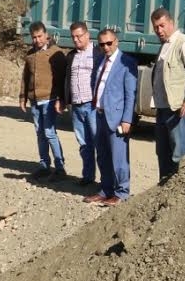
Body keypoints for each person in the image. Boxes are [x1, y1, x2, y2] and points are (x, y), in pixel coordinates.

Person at [149, 7, 185, 183]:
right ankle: (164, 190)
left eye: (162, 25)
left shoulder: (184, 44)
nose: (159, 30)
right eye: (156, 27)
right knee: (163, 154)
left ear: (171, 23)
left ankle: (180, 192)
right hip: (163, 109)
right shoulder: (165, 46)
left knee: (180, 155)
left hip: (177, 111)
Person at [86, 28, 137, 206]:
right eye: (102, 44)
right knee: (102, 155)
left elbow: (130, 94)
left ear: (116, 42)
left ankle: (121, 192)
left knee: (119, 157)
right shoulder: (100, 60)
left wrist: (127, 119)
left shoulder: (126, 62)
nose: (106, 47)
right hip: (99, 115)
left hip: (116, 118)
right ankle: (105, 190)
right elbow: (95, 83)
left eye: (109, 43)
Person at [20, 21, 68, 181]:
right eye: (34, 37)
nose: (37, 40)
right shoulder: (30, 54)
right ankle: (44, 166)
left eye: (40, 36)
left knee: (49, 132)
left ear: (46, 35)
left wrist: (61, 99)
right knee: (40, 133)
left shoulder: (56, 53)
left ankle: (60, 168)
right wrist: (22, 97)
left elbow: (62, 79)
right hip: (34, 100)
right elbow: (25, 77)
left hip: (50, 99)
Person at [56, 21, 98, 187]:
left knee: (99, 143)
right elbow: (65, 79)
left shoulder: (98, 53)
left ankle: (106, 182)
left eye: (79, 36)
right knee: (84, 144)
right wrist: (62, 99)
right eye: (73, 37)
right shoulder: (71, 56)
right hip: (76, 106)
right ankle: (88, 177)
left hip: (93, 106)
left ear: (87, 35)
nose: (76, 39)